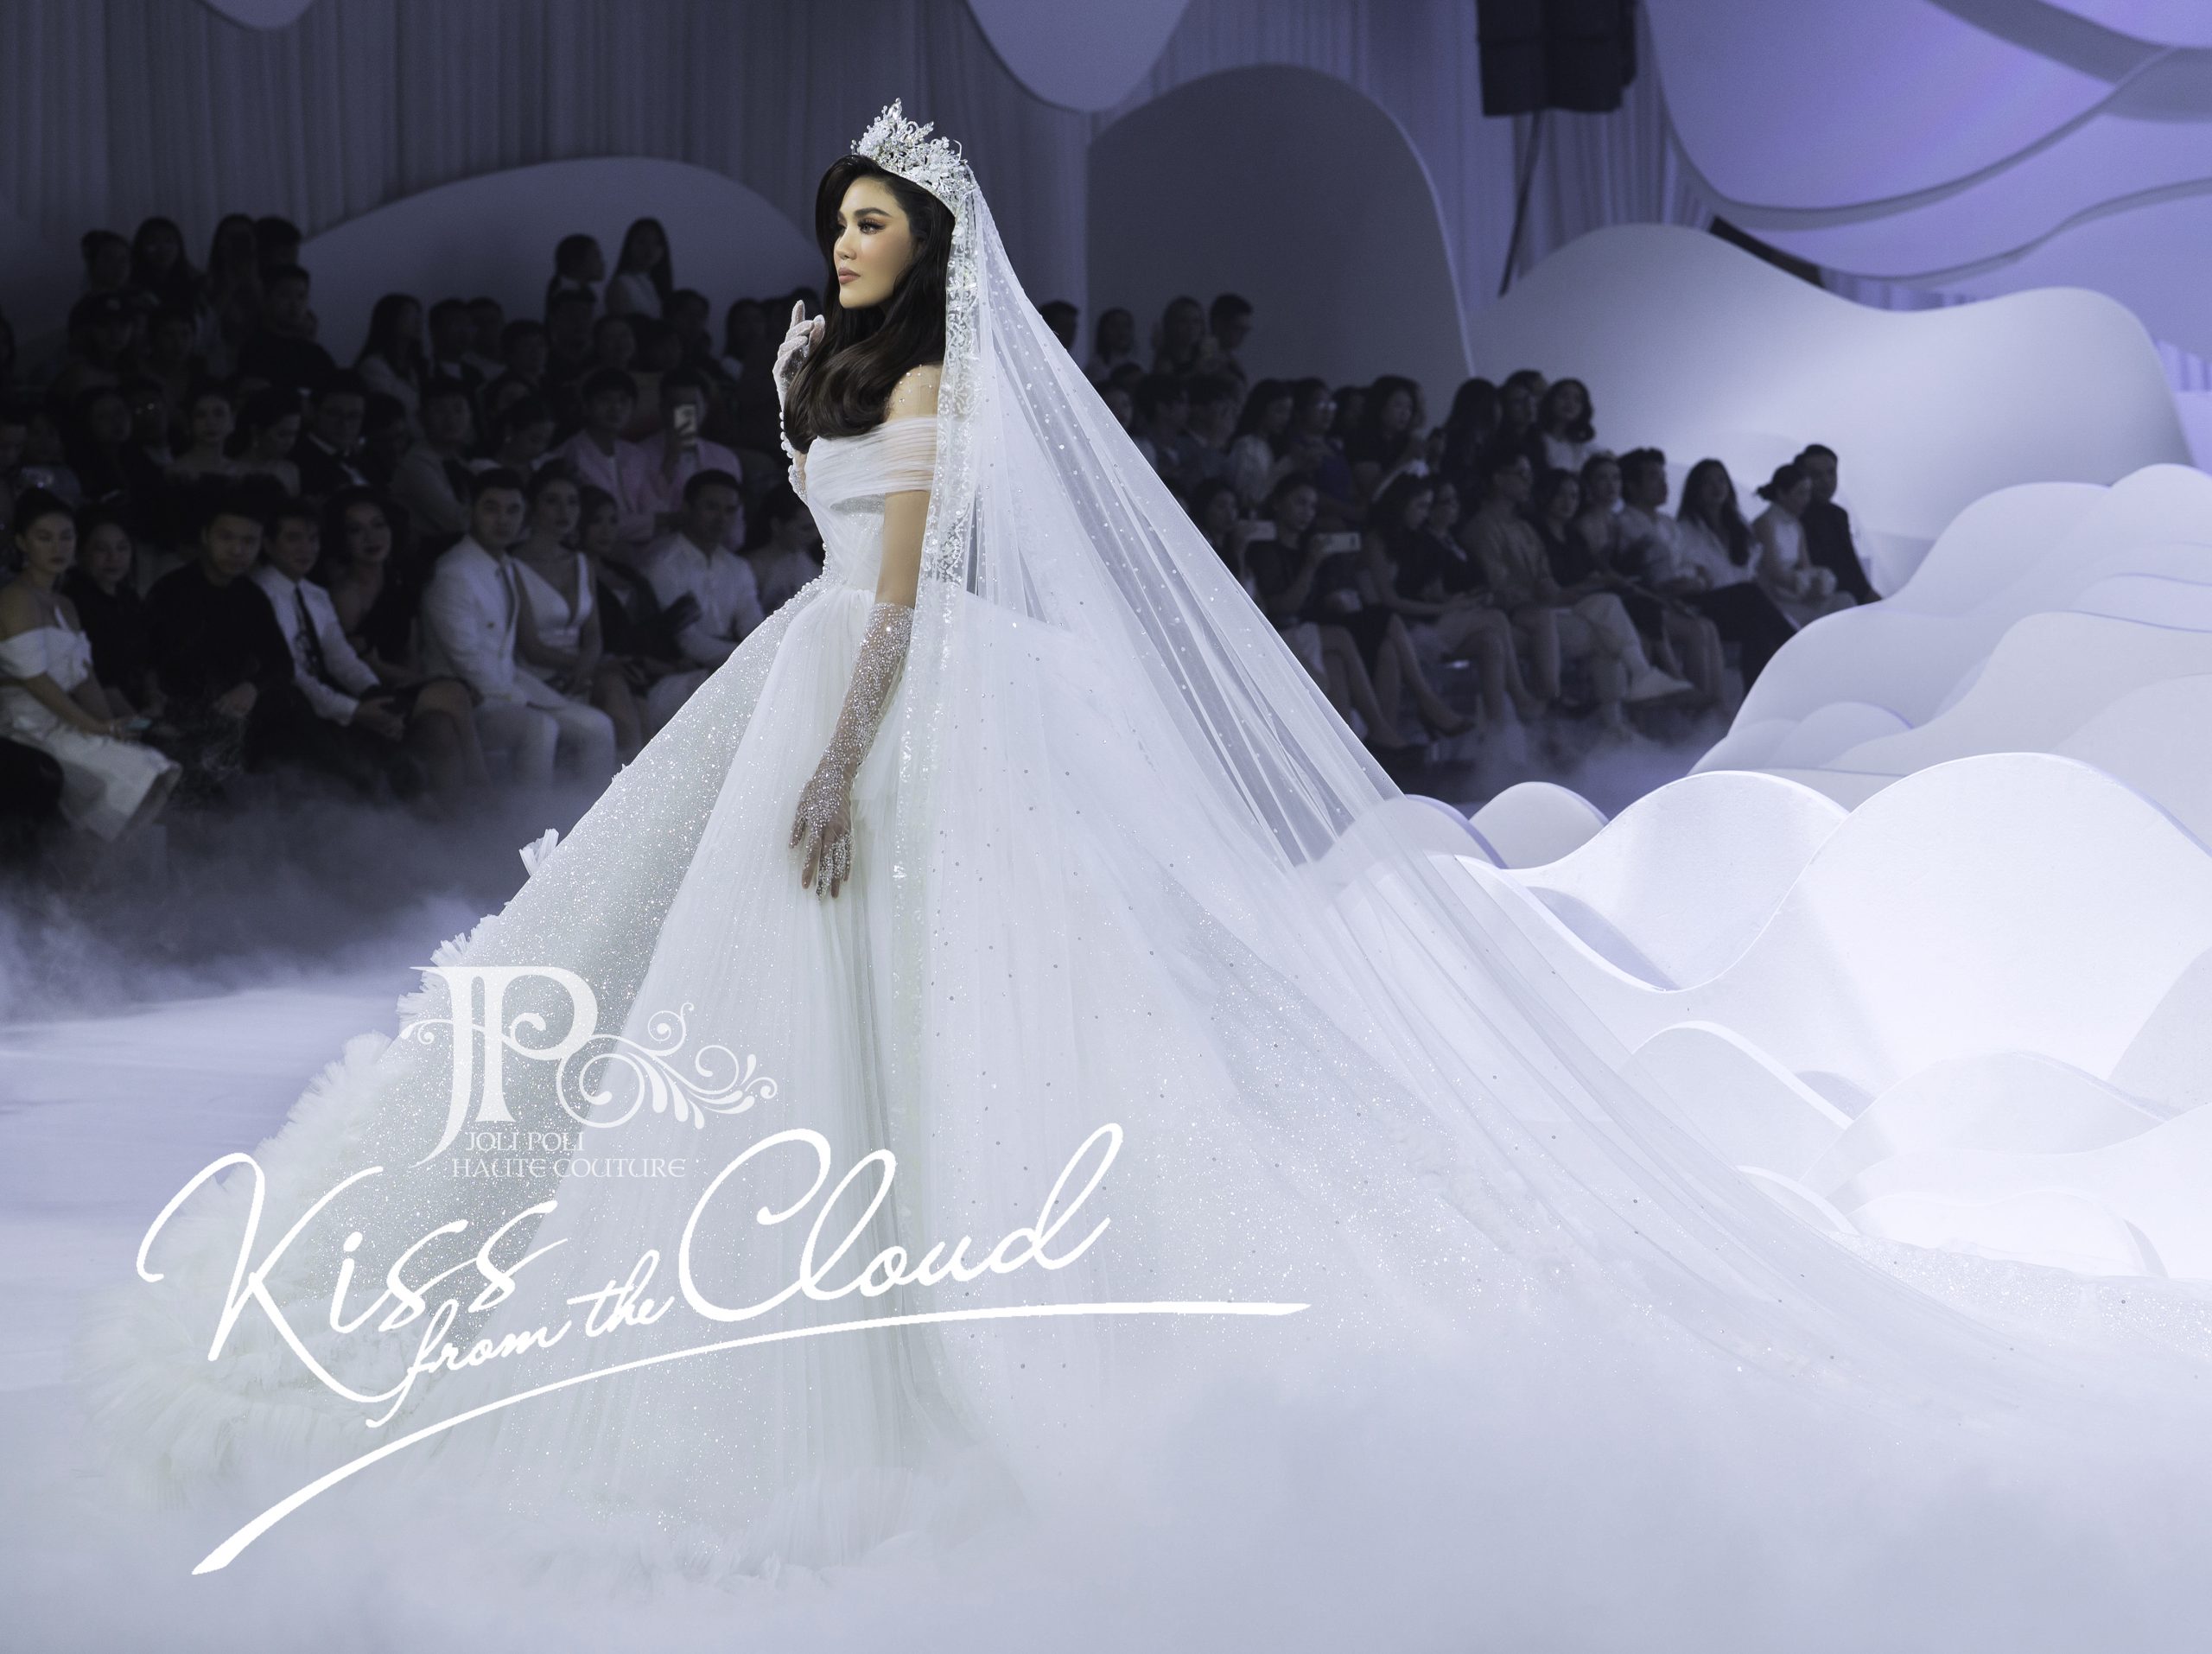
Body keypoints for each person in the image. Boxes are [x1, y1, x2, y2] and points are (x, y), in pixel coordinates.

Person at [87, 101, 2161, 1612]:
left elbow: (899, 592)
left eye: (876, 225)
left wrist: (840, 764)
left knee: (946, 997)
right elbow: (824, 524)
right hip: (794, 678)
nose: (847, 246)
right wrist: (799, 509)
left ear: (928, 247)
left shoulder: (937, 385)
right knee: (723, 990)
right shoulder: (821, 362)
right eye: (839, 222)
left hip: (880, 694)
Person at [418, 468, 617, 789]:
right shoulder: (454, 573)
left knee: (598, 726)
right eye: (491, 509)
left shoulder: (506, 565)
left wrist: (533, 692)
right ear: (470, 513)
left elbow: (504, 657)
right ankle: (530, 819)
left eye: (513, 510)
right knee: (540, 728)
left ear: (524, 515)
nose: (503, 520)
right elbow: (466, 659)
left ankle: (596, 814)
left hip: (508, 687)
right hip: (469, 699)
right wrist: (520, 697)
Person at [0, 490, 180, 838]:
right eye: (45, 538)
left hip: (67, 722)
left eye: (66, 537)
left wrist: (112, 725)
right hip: (26, 727)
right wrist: (95, 726)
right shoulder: (15, 599)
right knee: (130, 775)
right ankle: (77, 866)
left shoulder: (65, 604)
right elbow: (35, 678)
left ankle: (96, 869)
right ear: (22, 543)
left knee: (152, 767)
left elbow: (86, 678)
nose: (58, 547)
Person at [511, 461, 643, 762]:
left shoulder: (581, 563)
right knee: (609, 686)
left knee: (616, 685)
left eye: (572, 503)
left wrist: (587, 665)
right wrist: (583, 666)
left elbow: (593, 633)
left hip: (580, 670)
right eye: (552, 501)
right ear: (532, 507)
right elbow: (530, 646)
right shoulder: (513, 565)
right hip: (534, 674)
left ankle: (634, 778)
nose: (564, 511)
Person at [637, 468, 763, 731]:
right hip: (672, 678)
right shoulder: (664, 563)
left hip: (725, 669)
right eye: (711, 507)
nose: (721, 518)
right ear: (687, 508)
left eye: (730, 510)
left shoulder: (737, 567)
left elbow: (753, 627)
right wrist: (748, 659)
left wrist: (762, 654)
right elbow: (687, 640)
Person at [1665, 455, 1799, 689]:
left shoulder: (1738, 526)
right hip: (1705, 602)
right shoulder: (1684, 530)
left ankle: (1756, 696)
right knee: (1748, 593)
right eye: (1708, 482)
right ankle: (1796, 647)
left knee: (1755, 628)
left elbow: (1750, 572)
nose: (1716, 487)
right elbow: (1685, 574)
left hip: (1739, 605)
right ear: (1696, 489)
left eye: (1721, 480)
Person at [1753, 461, 1857, 628]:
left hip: (1797, 593)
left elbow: (1805, 565)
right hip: (1776, 598)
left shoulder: (1796, 525)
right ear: (1782, 494)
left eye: (1808, 493)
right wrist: (1803, 585)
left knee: (1845, 600)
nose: (1806, 500)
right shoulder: (1765, 523)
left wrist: (1817, 583)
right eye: (1801, 493)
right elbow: (1773, 572)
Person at [1796, 442, 1880, 605]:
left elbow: (1852, 564)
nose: (1826, 481)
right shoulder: (1797, 517)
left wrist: (1869, 594)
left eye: (1831, 473)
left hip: (1851, 596)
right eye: (1816, 475)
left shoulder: (1839, 514)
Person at [604, 217, 673, 320]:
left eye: (656, 243)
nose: (650, 249)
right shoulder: (621, 285)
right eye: (642, 242)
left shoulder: (657, 286)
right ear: (629, 245)